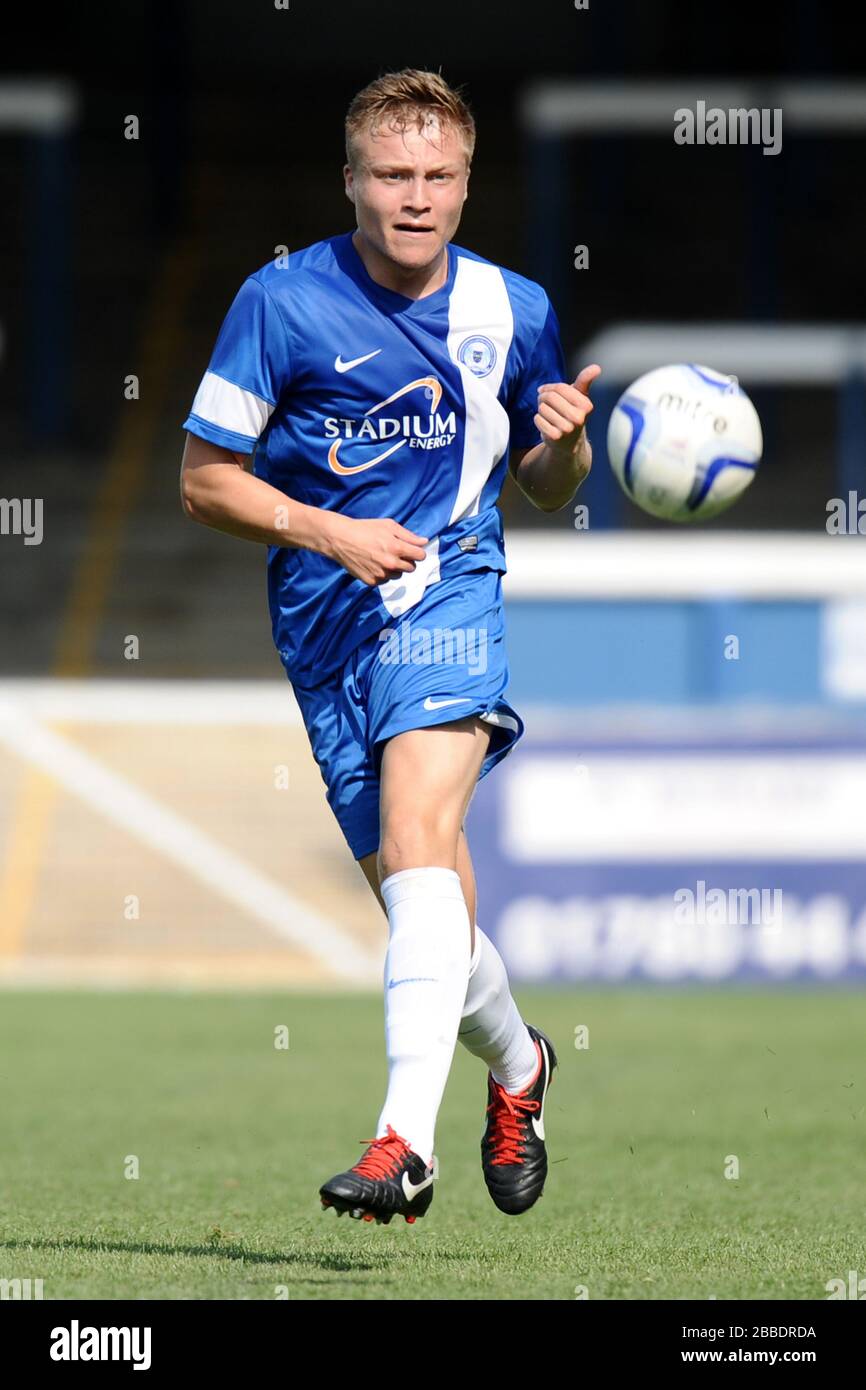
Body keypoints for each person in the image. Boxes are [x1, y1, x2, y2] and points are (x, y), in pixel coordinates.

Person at [180, 67, 600, 1224]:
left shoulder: (513, 310)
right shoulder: (279, 300)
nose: (414, 197)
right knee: (429, 906)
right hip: (324, 625)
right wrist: (327, 530)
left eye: (438, 176)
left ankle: (397, 1145)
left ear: (466, 185)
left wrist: (561, 443)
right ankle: (521, 1070)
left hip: (450, 590)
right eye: (392, 174)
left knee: (421, 835)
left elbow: (547, 489)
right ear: (352, 181)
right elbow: (203, 481)